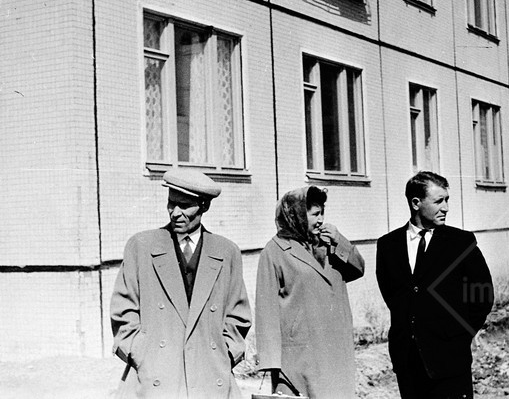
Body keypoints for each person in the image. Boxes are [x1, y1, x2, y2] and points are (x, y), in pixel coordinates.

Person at [110, 168, 251, 399]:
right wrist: (141, 352)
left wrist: (224, 352)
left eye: (184, 206)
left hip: (209, 374)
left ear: (204, 206)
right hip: (155, 374)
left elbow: (238, 314)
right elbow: (123, 311)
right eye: (171, 204)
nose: (175, 213)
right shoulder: (142, 247)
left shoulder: (227, 252)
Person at [376, 171, 494, 399]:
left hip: (450, 361)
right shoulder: (388, 245)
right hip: (408, 362)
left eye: (447, 200)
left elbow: (482, 296)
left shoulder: (461, 243)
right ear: (416, 203)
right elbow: (393, 297)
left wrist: (459, 335)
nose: (446, 208)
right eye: (439, 201)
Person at [254, 186, 365, 399]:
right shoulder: (274, 251)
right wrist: (270, 363)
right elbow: (265, 310)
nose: (321, 220)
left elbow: (357, 270)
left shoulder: (329, 245)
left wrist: (340, 240)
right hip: (298, 356)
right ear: (297, 216)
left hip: (335, 349)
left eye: (322, 212)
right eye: (315, 214)